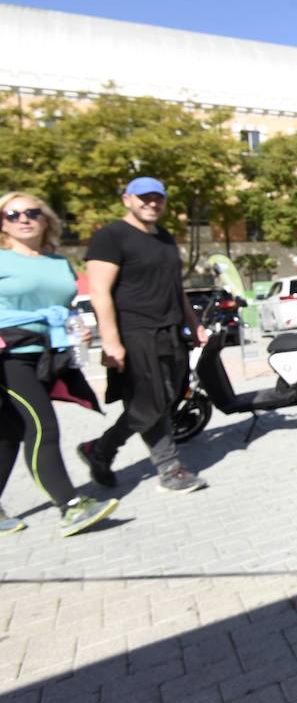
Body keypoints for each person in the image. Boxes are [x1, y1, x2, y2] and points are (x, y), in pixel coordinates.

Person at [76, 178, 208, 493]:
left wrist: (194, 323)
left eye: (157, 198)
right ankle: (170, 468)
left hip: (171, 331)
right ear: (127, 200)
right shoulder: (110, 237)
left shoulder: (164, 237)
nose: (151, 203)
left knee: (166, 399)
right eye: (143, 198)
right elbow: (99, 291)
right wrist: (110, 341)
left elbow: (177, 288)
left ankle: (100, 449)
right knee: (150, 403)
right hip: (135, 332)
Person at [0, 192, 119, 536]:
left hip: (47, 354)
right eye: (13, 214)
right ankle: (70, 506)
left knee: (9, 434)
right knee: (43, 427)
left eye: (32, 212)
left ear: (46, 218)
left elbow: (65, 306)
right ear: (3, 222)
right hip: (8, 355)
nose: (23, 219)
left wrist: (76, 329)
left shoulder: (58, 262)